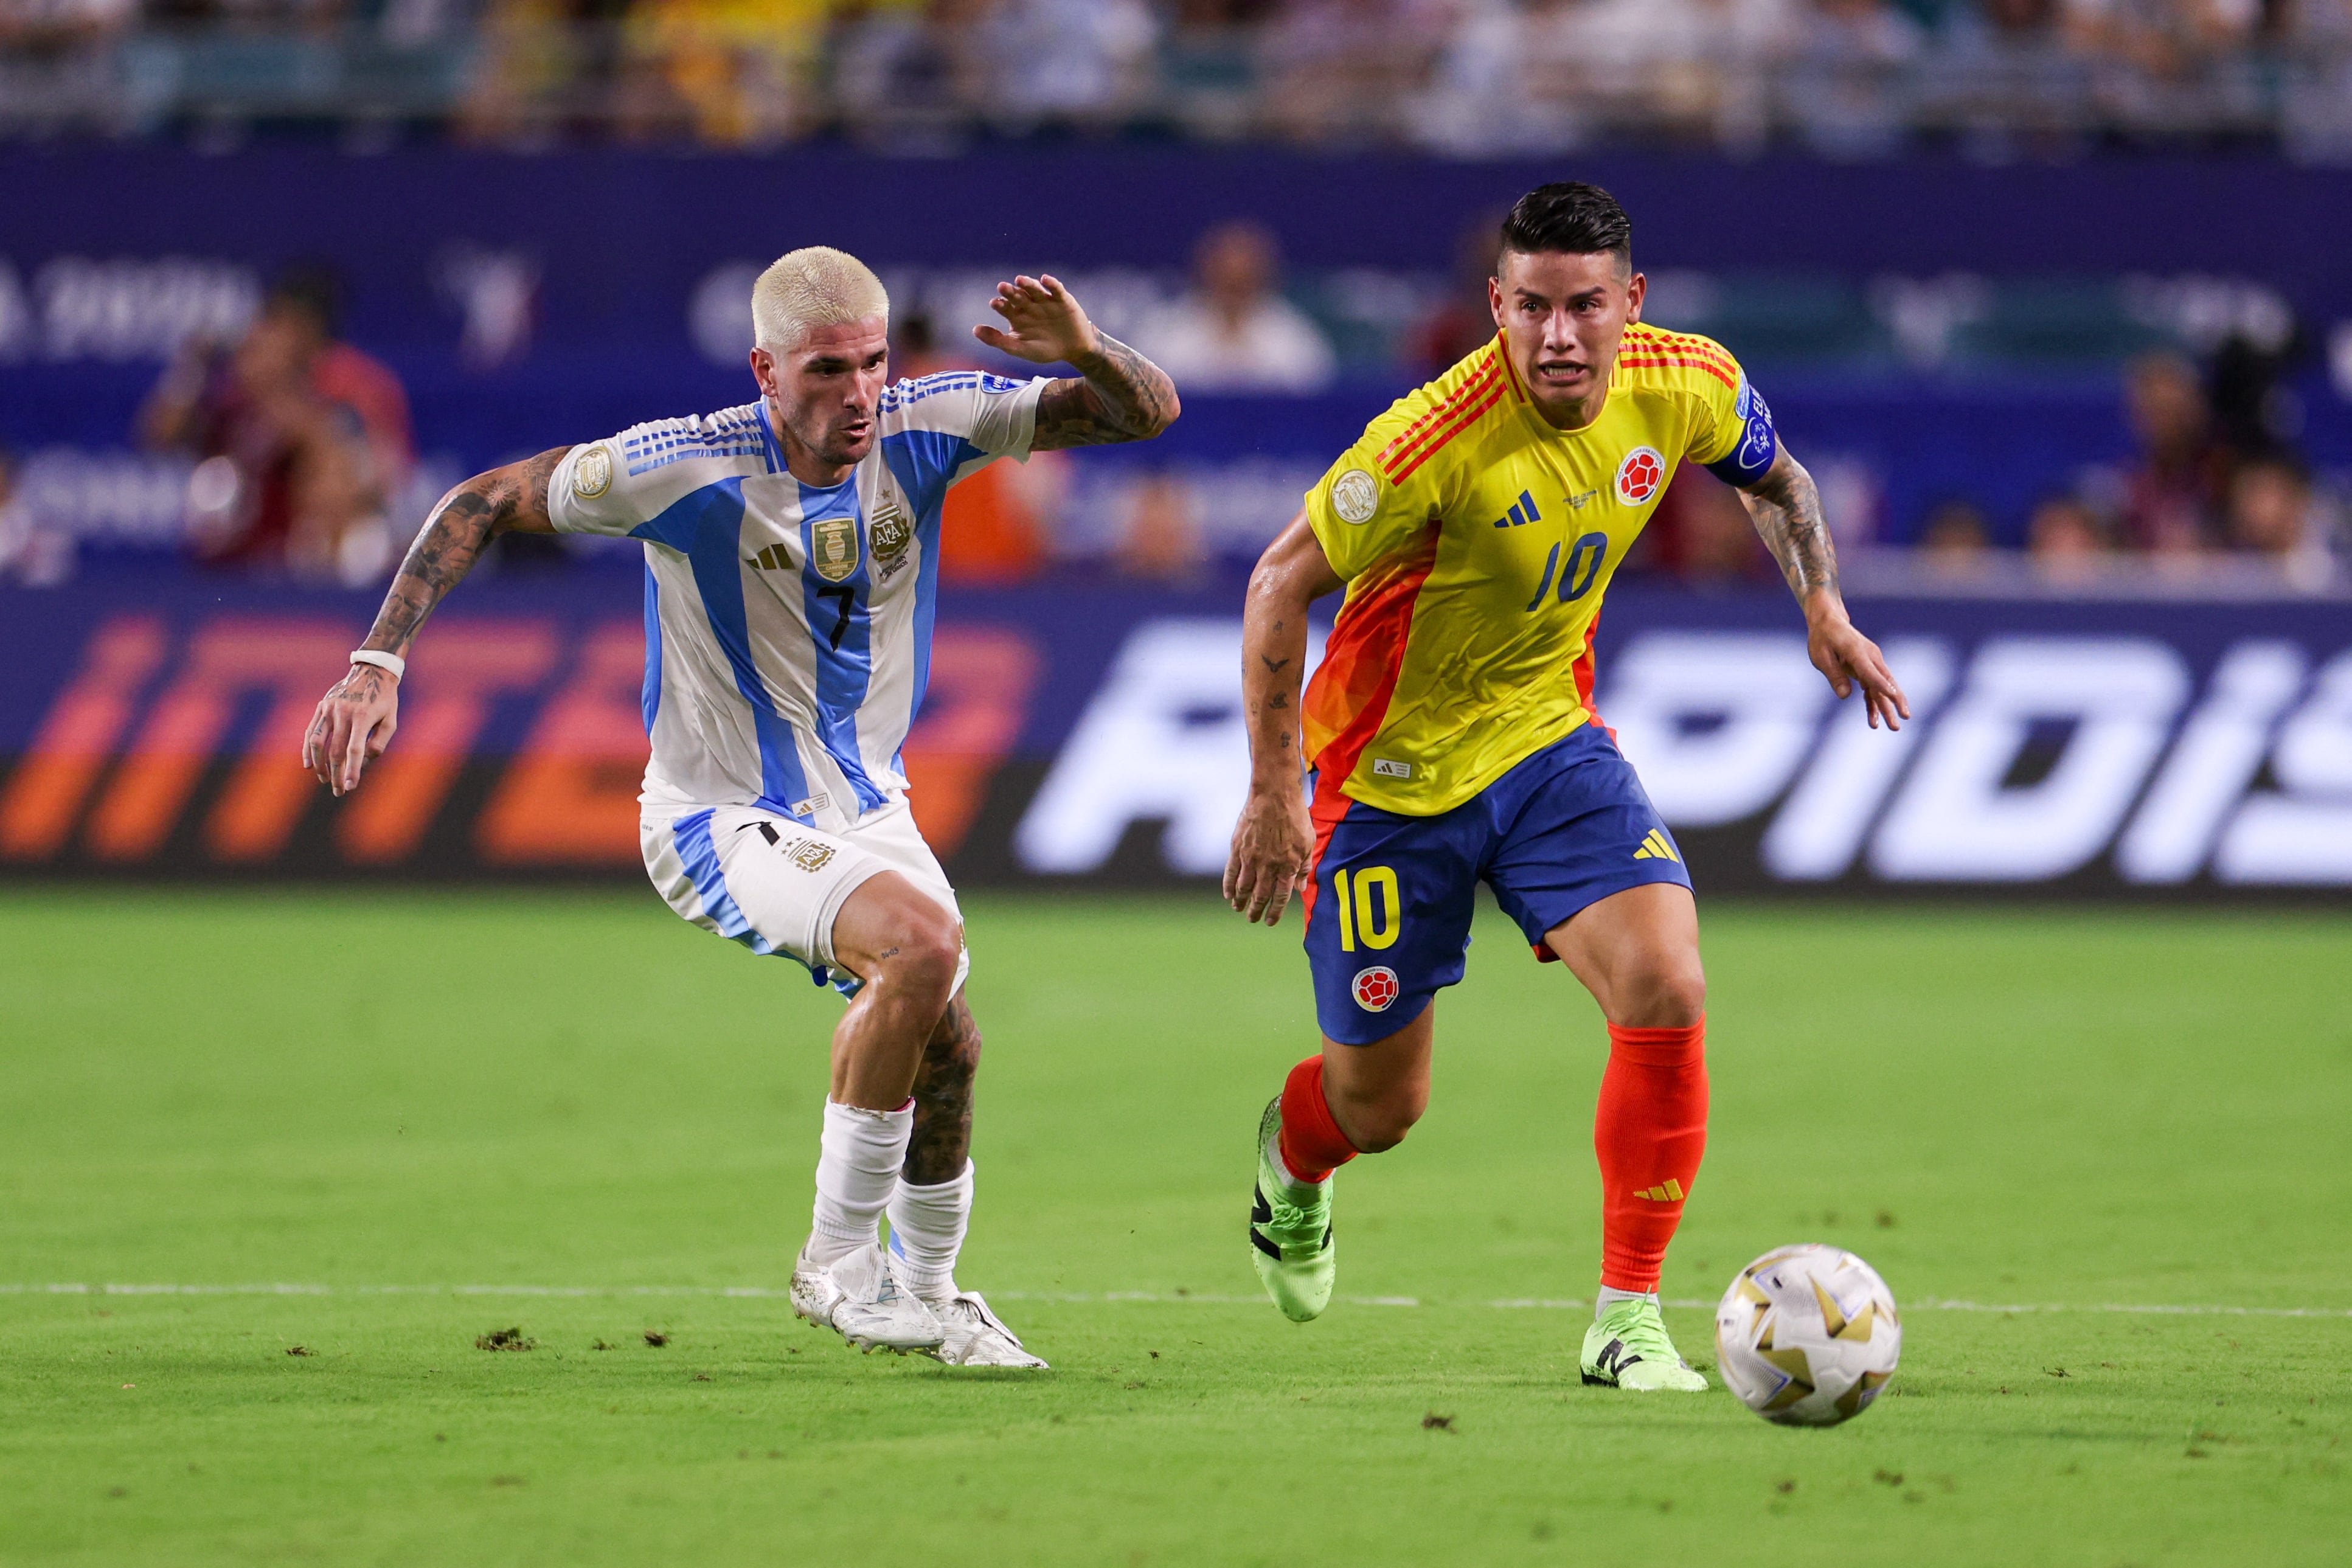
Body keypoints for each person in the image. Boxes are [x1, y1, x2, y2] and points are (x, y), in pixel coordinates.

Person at [301, 249, 1178, 1367]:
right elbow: (481, 499)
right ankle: (835, 1266)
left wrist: (1089, 350)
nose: (857, 393)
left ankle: (933, 1292)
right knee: (921, 949)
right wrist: (378, 658)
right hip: (716, 812)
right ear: (764, 370)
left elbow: (1142, 414)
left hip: (867, 802)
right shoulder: (680, 465)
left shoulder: (930, 421)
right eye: (825, 371)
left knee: (947, 1039)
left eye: (870, 364)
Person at [1222, 183, 1905, 1392]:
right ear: (1495, 305)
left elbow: (1776, 477)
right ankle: (1293, 1164)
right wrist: (1273, 795)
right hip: (1390, 782)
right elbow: (1278, 584)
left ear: (1627, 302)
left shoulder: (1681, 378)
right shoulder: (1429, 439)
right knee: (1379, 1105)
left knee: (1666, 979)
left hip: (1546, 739)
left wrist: (1822, 603)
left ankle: (1623, 1316)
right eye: (1529, 306)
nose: (1556, 336)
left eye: (1583, 306)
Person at [1134, 220, 1336, 394]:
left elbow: (1314, 394)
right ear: (1205, 274)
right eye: (1226, 281)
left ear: (1265, 279)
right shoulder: (1165, 332)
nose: (1233, 292)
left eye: (1244, 282)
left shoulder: (1294, 338)